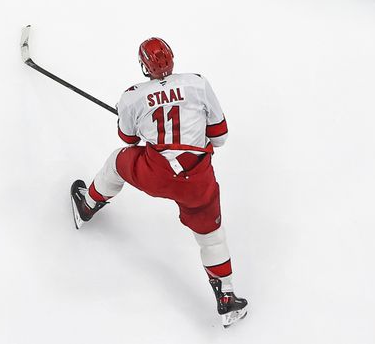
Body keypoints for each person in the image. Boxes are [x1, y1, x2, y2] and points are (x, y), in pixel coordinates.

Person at [70, 38, 248, 327]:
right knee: (212, 236)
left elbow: (129, 139)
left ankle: (87, 206)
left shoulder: (132, 96)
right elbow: (220, 137)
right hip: (197, 180)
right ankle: (226, 298)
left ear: (144, 66)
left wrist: (132, 117)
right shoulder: (198, 83)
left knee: (118, 162)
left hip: (157, 174)